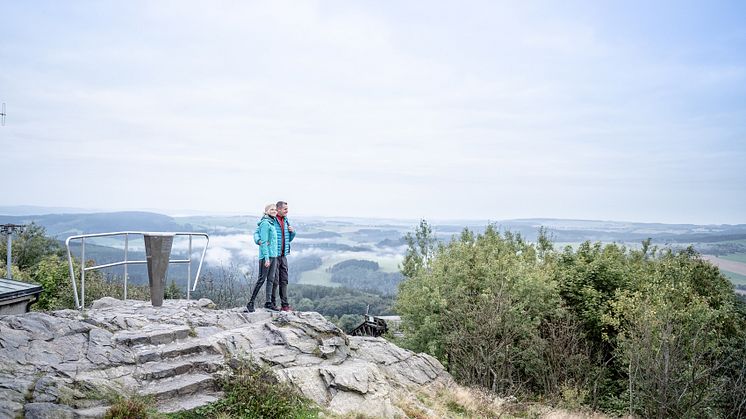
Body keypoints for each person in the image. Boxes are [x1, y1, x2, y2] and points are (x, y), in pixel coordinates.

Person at [247, 204, 279, 312]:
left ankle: (268, 303)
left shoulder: (272, 222)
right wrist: (266, 258)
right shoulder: (265, 223)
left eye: (275, 209)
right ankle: (251, 303)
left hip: (274, 255)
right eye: (272, 209)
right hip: (267, 256)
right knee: (261, 279)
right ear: (266, 211)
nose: (274, 211)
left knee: (271, 280)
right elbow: (264, 242)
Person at [272, 200, 296, 311]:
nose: (287, 211)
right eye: (285, 209)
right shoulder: (272, 220)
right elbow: (258, 233)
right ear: (279, 209)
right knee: (275, 281)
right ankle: (272, 304)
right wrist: (259, 241)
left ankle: (285, 305)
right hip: (274, 255)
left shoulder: (286, 221)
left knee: (284, 280)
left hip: (283, 255)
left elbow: (288, 240)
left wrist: (292, 233)